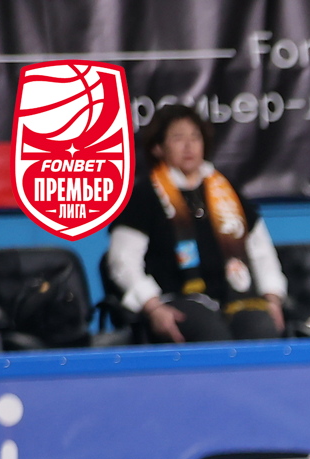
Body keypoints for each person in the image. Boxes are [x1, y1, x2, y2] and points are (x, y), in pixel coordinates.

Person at [108, 106, 287, 343]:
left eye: (195, 137)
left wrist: (272, 298)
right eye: (178, 138)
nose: (189, 146)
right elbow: (123, 261)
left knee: (261, 327)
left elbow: (261, 252)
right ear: (158, 148)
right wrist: (153, 308)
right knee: (211, 333)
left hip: (234, 299)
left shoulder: (227, 192)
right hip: (176, 301)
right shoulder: (144, 196)